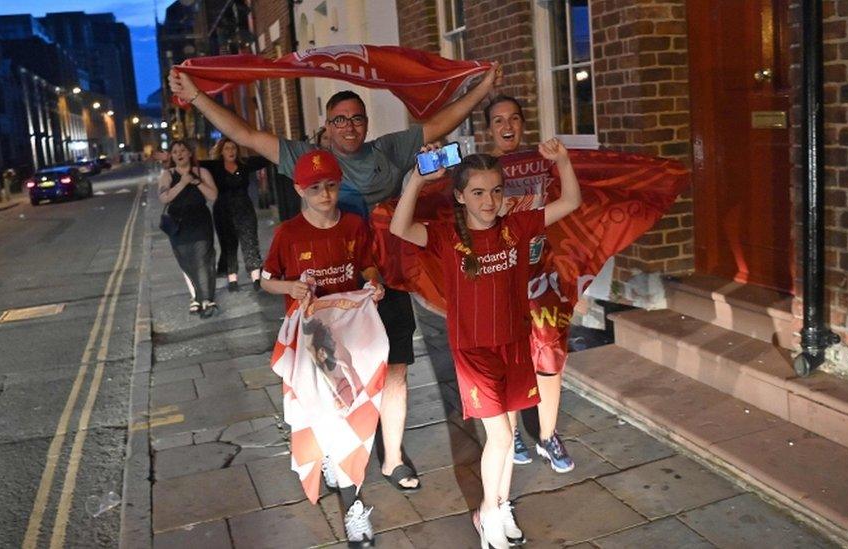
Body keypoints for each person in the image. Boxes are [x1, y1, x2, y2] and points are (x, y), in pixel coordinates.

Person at [170, 62, 501, 492]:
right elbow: (247, 135)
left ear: (366, 123)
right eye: (339, 119)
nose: (349, 126)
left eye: (356, 118)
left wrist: (485, 87)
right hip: (330, 297)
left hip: (384, 283)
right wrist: (197, 96)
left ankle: (394, 457)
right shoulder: (305, 160)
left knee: (396, 370)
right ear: (327, 126)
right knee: (331, 378)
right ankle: (336, 450)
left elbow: (441, 121)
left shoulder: (388, 151)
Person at [389, 141, 581, 548]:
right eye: (477, 192)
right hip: (474, 351)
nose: (489, 200)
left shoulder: (519, 226)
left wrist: (562, 161)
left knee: (509, 430)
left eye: (496, 190)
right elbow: (399, 228)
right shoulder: (445, 236)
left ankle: (498, 502)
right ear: (460, 197)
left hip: (514, 344)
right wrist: (416, 182)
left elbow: (571, 202)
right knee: (498, 437)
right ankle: (489, 515)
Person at [260, 149, 384, 547]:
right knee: (334, 415)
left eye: (331, 186)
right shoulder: (288, 234)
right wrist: (289, 287)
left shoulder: (352, 224)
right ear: (299, 189)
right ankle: (353, 508)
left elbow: (366, 264)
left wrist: (373, 283)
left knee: (353, 410)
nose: (326, 194)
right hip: (313, 343)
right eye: (315, 188)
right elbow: (266, 279)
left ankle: (340, 466)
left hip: (352, 335)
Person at [485, 95, 575, 473]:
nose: (508, 126)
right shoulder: (480, 171)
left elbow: (574, 197)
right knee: (505, 362)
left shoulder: (540, 161)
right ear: (488, 128)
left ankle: (547, 434)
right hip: (498, 277)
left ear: (523, 124)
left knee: (549, 358)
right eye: (499, 120)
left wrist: (562, 159)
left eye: (515, 119)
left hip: (538, 277)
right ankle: (512, 432)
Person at [200, 137, 272, 292]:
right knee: (228, 245)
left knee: (250, 242)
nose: (231, 151)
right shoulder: (214, 166)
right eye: (227, 148)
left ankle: (256, 277)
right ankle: (232, 278)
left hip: (244, 209)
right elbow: (193, 165)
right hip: (223, 211)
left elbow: (266, 159)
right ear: (221, 151)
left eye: (233, 148)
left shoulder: (244, 164)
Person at [158, 140, 220, 317]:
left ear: (190, 153)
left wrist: (196, 181)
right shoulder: (167, 174)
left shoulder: (202, 172)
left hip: (200, 220)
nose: (179, 154)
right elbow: (164, 198)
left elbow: (213, 195)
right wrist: (183, 183)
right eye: (175, 151)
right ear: (171, 156)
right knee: (186, 262)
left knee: (203, 259)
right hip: (178, 223)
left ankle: (207, 299)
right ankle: (196, 297)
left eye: (183, 150)